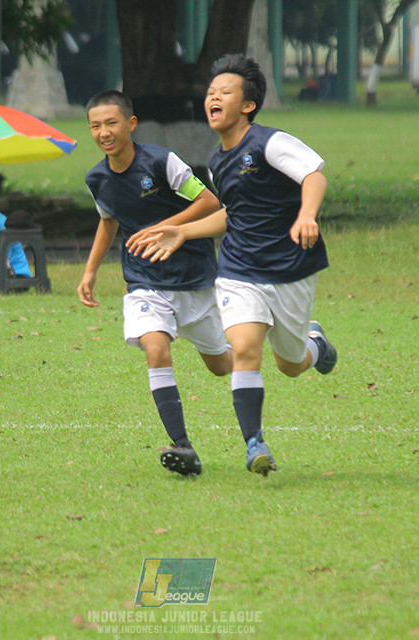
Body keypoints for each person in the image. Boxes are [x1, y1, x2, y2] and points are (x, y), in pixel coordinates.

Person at [128, 54, 338, 477]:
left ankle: (316, 346)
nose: (213, 98)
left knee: (291, 363)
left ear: (248, 105)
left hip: (291, 268)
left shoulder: (269, 143)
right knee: (244, 350)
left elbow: (314, 175)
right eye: (210, 93)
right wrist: (184, 232)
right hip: (239, 269)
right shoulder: (218, 161)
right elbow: (232, 214)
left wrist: (307, 215)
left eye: (224, 92)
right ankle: (254, 443)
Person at [78, 90, 232, 476]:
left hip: (195, 278)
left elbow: (210, 203)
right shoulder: (97, 178)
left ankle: (304, 341)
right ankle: (183, 446)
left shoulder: (161, 162)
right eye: (95, 126)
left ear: (130, 124)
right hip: (144, 282)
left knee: (222, 365)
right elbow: (108, 220)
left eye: (111, 123)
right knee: (156, 349)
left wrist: (167, 227)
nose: (103, 132)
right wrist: (90, 270)